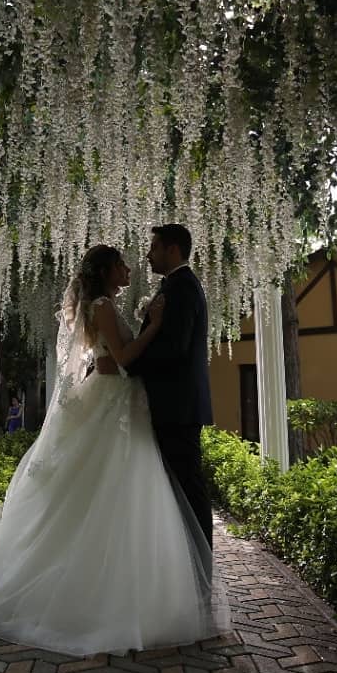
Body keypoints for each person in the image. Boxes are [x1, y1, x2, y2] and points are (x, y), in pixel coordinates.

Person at [0, 244, 227, 656]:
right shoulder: (104, 307)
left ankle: (121, 580)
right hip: (115, 402)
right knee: (115, 486)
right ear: (107, 271)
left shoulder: (104, 306)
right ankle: (103, 588)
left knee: (115, 489)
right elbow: (125, 358)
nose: (130, 268)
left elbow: (110, 359)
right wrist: (154, 325)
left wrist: (144, 325)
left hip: (118, 400)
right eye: (122, 264)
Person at [126, 223, 214, 548]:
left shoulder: (182, 288)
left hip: (178, 405)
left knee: (188, 485)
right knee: (179, 485)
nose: (148, 255)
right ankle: (186, 557)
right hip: (175, 404)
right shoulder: (174, 286)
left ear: (172, 249)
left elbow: (173, 348)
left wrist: (129, 365)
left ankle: (200, 559)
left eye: (154, 248)